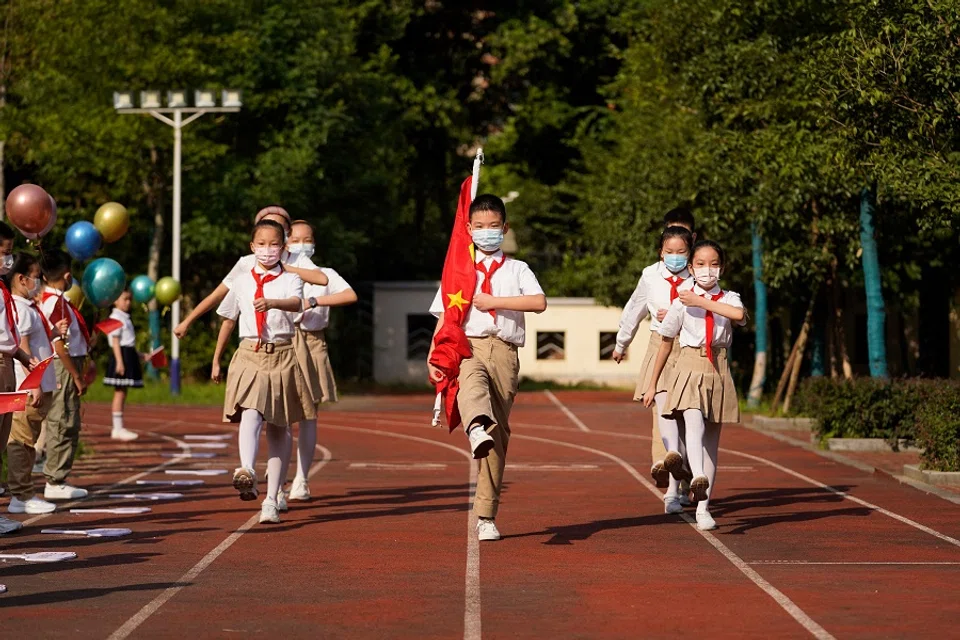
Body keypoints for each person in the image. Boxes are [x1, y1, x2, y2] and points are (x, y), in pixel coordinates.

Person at [427, 194, 547, 542]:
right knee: (471, 386)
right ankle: (475, 426)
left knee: (499, 438)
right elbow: (444, 317)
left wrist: (495, 302)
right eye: (479, 227)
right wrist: (433, 354)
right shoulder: (458, 270)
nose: (486, 232)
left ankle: (486, 514)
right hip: (468, 345)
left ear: (504, 228)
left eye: (493, 226)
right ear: (468, 229)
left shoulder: (518, 269)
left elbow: (538, 302)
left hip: (505, 351)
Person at [211, 219, 314, 524]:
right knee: (250, 410)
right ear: (252, 246)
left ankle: (271, 499)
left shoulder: (290, 279)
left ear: (283, 248)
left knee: (279, 428)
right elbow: (228, 319)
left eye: (274, 244)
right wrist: (216, 358)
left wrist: (272, 302)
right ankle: (247, 470)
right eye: (262, 244)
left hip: (281, 354)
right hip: (249, 352)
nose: (268, 250)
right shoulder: (242, 280)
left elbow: (297, 304)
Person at [643, 240, 746, 530]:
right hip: (688, 363)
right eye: (700, 264)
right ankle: (696, 472)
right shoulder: (680, 302)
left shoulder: (730, 298)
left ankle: (703, 508)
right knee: (690, 413)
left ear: (722, 268)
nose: (706, 270)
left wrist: (701, 301)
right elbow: (665, 343)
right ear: (691, 267)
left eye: (713, 264)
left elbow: (737, 316)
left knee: (711, 444)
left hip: (718, 367)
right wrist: (652, 384)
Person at [613, 206, 697, 492]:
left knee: (687, 412)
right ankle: (663, 461)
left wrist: (680, 313)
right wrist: (621, 342)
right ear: (662, 246)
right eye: (669, 239)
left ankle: (683, 472)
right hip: (658, 344)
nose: (675, 249)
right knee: (661, 408)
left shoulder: (700, 274)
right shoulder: (650, 275)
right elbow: (634, 308)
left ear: (691, 240)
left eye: (682, 238)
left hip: (689, 347)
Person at [174, 206, 328, 339]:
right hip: (255, 337)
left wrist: (281, 266)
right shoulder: (247, 263)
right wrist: (187, 321)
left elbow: (321, 279)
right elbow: (217, 295)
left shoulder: (297, 259)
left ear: (287, 233)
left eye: (277, 227)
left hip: (289, 335)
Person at [285, 220, 357, 502]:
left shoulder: (324, 273)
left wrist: (314, 301)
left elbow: (350, 294)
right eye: (296, 239)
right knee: (280, 414)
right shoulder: (280, 272)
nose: (302, 244)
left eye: (308, 239)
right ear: (286, 242)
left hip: (313, 341)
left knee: (309, 414)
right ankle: (278, 482)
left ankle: (302, 478)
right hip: (286, 341)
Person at [6, 252, 57, 515]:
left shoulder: (28, 307)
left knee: (29, 440)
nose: (39, 282)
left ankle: (24, 490)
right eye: (36, 277)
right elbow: (23, 347)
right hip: (29, 387)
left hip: (38, 384)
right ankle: (21, 495)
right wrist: (33, 383)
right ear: (22, 279)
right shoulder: (20, 309)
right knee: (22, 442)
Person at [40, 249, 90, 501]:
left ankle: (57, 475)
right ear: (67, 276)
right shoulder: (56, 302)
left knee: (66, 417)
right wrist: (76, 375)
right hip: (64, 365)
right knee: (63, 419)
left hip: (69, 364)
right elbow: (59, 344)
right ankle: (55, 478)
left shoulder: (54, 299)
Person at [102, 289, 141, 441]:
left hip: (127, 354)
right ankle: (117, 428)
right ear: (115, 301)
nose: (128, 302)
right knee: (119, 392)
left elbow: (128, 341)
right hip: (121, 356)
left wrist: (140, 355)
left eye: (129, 299)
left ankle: (118, 427)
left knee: (122, 392)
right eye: (125, 299)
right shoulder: (115, 317)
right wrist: (119, 361)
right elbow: (116, 342)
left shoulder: (125, 317)